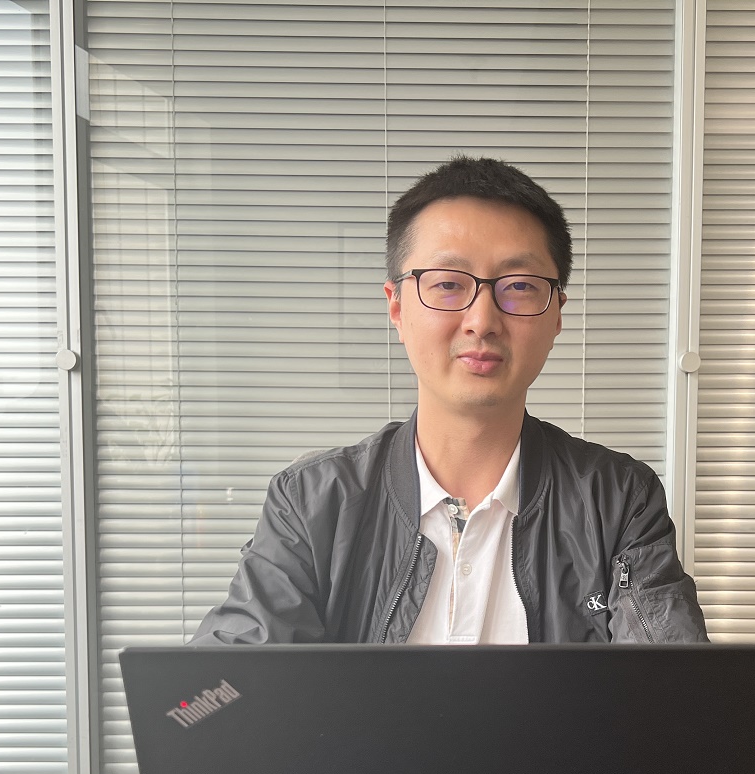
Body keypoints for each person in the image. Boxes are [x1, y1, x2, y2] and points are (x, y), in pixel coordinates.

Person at [191, 155, 706, 645]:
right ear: (396, 307)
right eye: (447, 284)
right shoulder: (312, 503)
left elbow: (673, 687)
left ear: (556, 315)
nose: (482, 320)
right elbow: (217, 690)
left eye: (519, 286)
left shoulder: (617, 501)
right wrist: (200, 699)